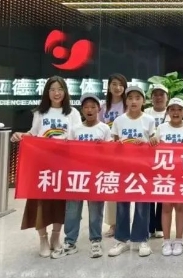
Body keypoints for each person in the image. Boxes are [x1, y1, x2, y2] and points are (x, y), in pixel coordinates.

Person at [10, 76, 82, 257]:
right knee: (40, 201)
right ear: (47, 92)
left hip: (64, 163)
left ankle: (56, 237)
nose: (57, 93)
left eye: (60, 89)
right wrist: (20, 135)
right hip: (42, 163)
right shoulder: (40, 112)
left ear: (65, 91)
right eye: (53, 89)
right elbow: (33, 134)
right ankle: (43, 238)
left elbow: (78, 136)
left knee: (60, 201)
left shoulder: (72, 113)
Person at [52, 93, 112, 259]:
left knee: (95, 210)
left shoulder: (105, 129)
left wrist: (103, 147)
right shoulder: (75, 129)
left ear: (99, 109)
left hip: (96, 175)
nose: (89, 110)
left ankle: (96, 241)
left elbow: (111, 155)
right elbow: (68, 152)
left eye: (93, 107)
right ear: (82, 110)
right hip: (77, 176)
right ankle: (70, 242)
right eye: (86, 107)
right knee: (72, 210)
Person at [108, 85, 156, 258]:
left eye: (137, 98)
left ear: (143, 101)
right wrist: (119, 145)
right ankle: (121, 240)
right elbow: (113, 144)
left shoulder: (149, 120)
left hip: (142, 168)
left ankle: (141, 239)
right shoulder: (119, 121)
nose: (133, 101)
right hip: (123, 168)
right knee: (122, 204)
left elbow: (154, 142)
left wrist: (147, 143)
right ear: (125, 101)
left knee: (142, 204)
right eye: (130, 98)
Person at [152, 98, 183, 256]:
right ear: (168, 112)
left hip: (182, 174)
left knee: (179, 206)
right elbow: (155, 145)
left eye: (179, 109)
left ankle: (179, 240)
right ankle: (166, 241)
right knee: (166, 206)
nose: (176, 112)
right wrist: (153, 140)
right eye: (172, 109)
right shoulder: (161, 127)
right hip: (165, 174)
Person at [101, 73, 128, 238]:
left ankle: (125, 222)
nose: (117, 88)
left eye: (121, 84)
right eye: (114, 84)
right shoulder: (103, 107)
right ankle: (113, 224)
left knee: (127, 188)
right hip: (108, 154)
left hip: (127, 153)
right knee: (112, 187)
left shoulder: (128, 105)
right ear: (109, 86)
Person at [144, 83, 168, 239]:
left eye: (161, 94)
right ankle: (149, 225)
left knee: (161, 190)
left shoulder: (172, 111)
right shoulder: (146, 112)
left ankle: (159, 226)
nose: (158, 97)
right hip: (147, 157)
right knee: (148, 191)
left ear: (167, 97)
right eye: (155, 95)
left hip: (165, 158)